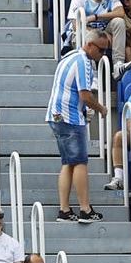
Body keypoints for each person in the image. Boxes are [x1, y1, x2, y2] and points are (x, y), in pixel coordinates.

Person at [46, 29, 108, 224]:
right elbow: (85, 94)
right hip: (69, 116)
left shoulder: (69, 55)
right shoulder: (83, 61)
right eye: (101, 50)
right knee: (80, 161)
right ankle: (85, 209)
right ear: (90, 45)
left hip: (56, 115)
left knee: (68, 163)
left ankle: (64, 210)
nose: (102, 55)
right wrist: (101, 108)